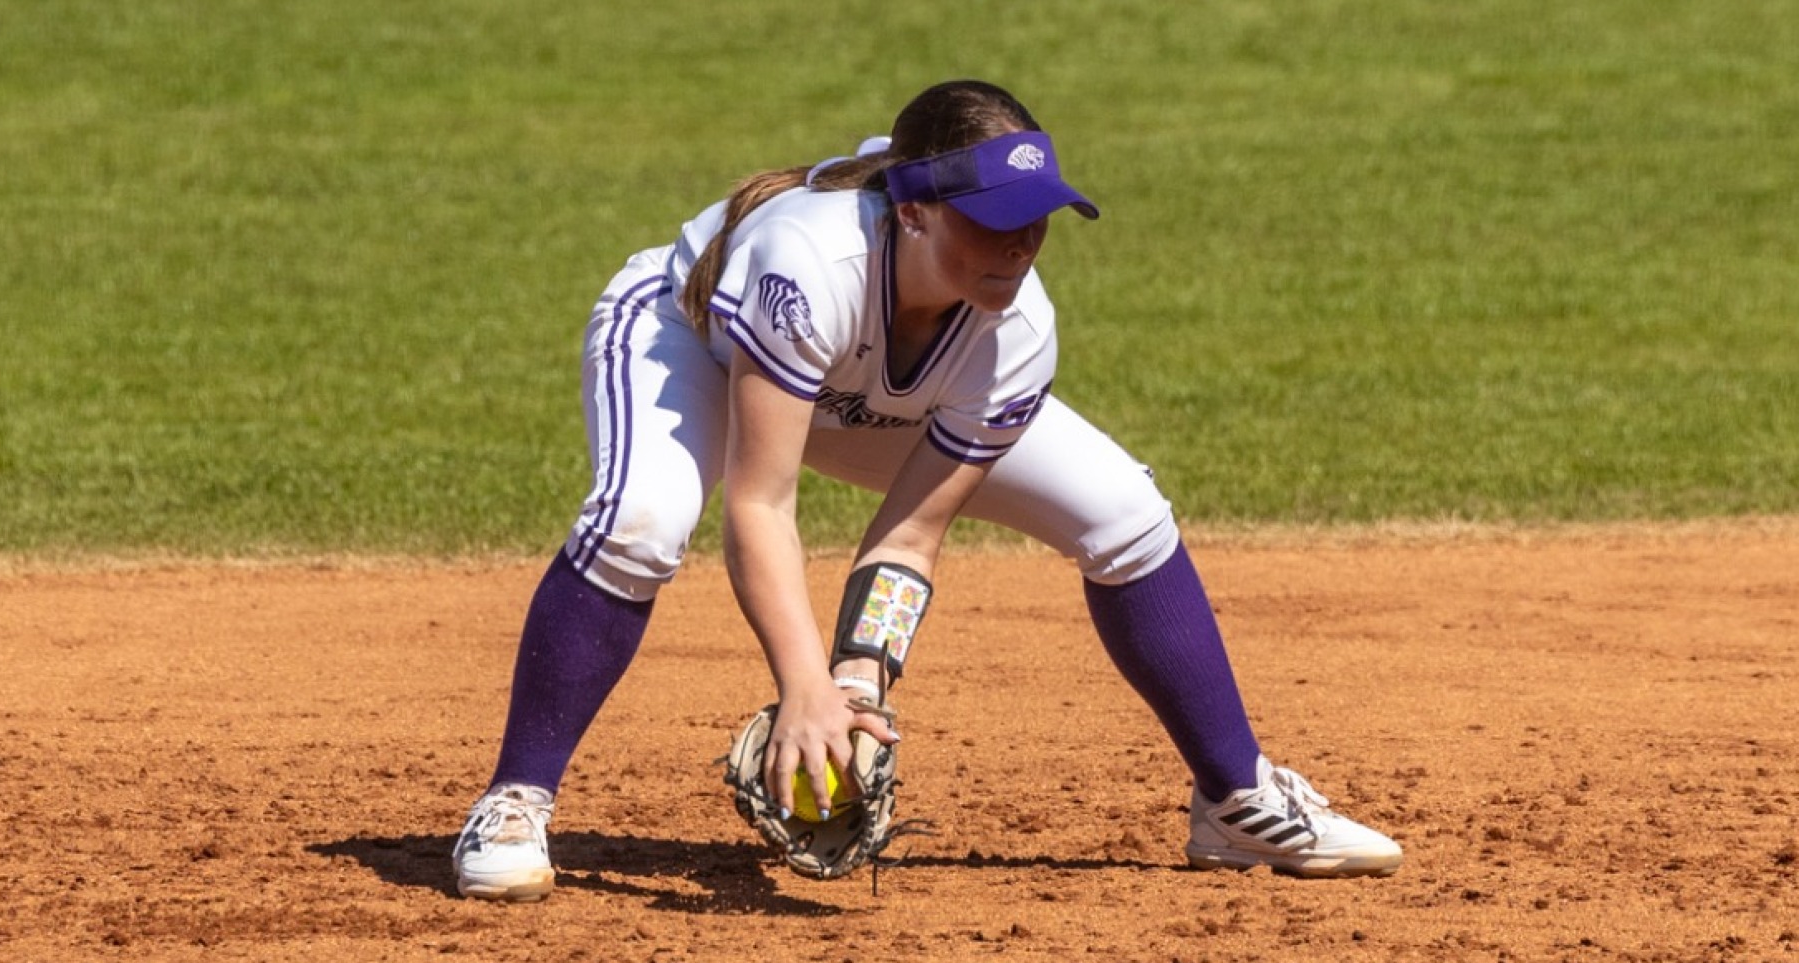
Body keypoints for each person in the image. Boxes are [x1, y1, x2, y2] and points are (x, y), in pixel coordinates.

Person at [450, 80, 1402, 902]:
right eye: (991, 219)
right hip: (692, 342)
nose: (1020, 242)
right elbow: (759, 504)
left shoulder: (1016, 326)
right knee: (641, 521)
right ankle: (514, 800)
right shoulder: (807, 265)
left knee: (1122, 511)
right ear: (913, 209)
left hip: (868, 389)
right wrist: (801, 687)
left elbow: (909, 535)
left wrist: (859, 689)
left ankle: (1236, 800)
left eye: (1035, 218)